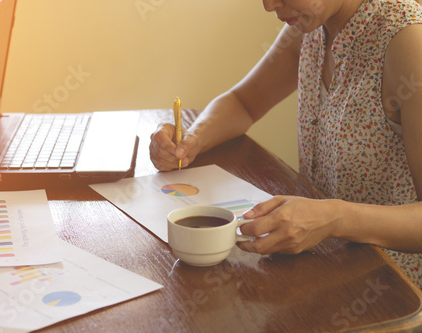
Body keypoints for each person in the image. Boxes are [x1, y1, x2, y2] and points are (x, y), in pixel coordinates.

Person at [149, 0, 422, 288]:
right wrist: (191, 140)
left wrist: (334, 218)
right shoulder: (311, 25)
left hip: (394, 293)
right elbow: (244, 103)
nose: (269, 5)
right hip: (324, 268)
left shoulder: (408, 43)